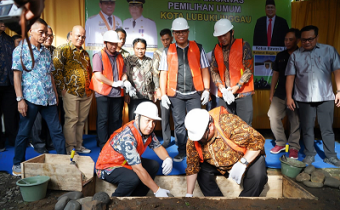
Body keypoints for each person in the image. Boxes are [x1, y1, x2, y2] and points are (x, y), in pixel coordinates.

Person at [11, 19, 66, 176]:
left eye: (46, 33)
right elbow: (16, 76)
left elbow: (50, 74)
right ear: (31, 32)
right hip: (30, 99)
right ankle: (17, 164)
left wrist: (55, 94)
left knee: (57, 131)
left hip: (48, 98)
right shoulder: (20, 50)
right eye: (41, 32)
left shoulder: (46, 51)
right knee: (24, 132)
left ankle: (64, 162)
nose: (44, 36)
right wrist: (20, 99)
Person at [286, 25, 340, 167]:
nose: (307, 42)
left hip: (326, 97)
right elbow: (290, 77)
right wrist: (289, 97)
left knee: (327, 129)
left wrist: (339, 91)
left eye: (310, 39)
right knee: (307, 128)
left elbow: (337, 71)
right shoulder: (295, 55)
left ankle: (331, 156)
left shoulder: (329, 50)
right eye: (303, 40)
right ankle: (309, 154)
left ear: (317, 37)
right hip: (303, 99)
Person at [184, 107, 267, 197]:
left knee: (258, 175)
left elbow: (258, 141)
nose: (199, 140)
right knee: (201, 171)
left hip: (243, 159)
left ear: (210, 126)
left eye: (201, 137)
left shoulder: (228, 123)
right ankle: (217, 203)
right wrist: (189, 194)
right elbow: (192, 167)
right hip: (216, 166)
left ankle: (244, 203)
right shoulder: (194, 138)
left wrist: (243, 162)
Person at [159, 17, 210, 162]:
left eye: (183, 31)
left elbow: (205, 69)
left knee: (196, 123)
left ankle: (196, 151)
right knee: (179, 124)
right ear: (173, 34)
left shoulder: (198, 48)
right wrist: (163, 95)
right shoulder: (168, 50)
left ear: (188, 32)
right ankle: (182, 151)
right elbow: (163, 73)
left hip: (194, 94)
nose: (180, 34)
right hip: (176, 95)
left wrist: (206, 89)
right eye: (177, 32)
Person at [96, 102, 173, 197]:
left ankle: (138, 198)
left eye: (154, 122)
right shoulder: (127, 137)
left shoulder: (147, 131)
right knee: (132, 178)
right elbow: (138, 169)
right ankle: (115, 200)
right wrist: (157, 190)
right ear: (137, 119)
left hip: (125, 162)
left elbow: (157, 147)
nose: (151, 125)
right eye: (147, 120)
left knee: (153, 165)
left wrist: (167, 158)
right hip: (107, 167)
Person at [90, 30, 134, 148]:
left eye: (115, 43)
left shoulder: (120, 56)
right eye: (111, 44)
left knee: (116, 119)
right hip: (103, 93)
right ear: (105, 43)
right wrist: (113, 83)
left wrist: (125, 81)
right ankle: (103, 144)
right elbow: (98, 75)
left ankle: (113, 143)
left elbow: (124, 72)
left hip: (117, 94)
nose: (114, 46)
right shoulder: (98, 56)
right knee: (103, 119)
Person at [53, 25, 93, 155]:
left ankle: (79, 145)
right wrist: (62, 89)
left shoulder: (85, 53)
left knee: (81, 121)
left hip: (86, 92)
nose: (81, 39)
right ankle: (70, 148)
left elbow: (89, 71)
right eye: (78, 35)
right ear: (71, 35)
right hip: (70, 91)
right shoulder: (62, 50)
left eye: (83, 37)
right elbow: (56, 70)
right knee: (72, 119)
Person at [210, 19, 254, 126]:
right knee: (225, 126)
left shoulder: (243, 45)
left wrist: (238, 86)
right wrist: (221, 87)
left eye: (225, 35)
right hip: (225, 94)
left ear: (232, 32)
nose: (222, 38)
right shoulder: (216, 49)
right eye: (219, 36)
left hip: (243, 93)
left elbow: (249, 69)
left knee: (244, 127)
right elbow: (213, 70)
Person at [268, 28, 301, 159]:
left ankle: (293, 147)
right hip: (280, 93)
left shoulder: (302, 54)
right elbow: (275, 74)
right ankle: (281, 142)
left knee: (295, 121)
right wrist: (271, 93)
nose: (287, 42)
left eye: (290, 39)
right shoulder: (280, 55)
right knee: (272, 115)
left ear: (297, 40)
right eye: (285, 39)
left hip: (298, 94)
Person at [30, 25, 57, 154]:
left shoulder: (54, 51)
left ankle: (50, 143)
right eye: (46, 33)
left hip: (51, 92)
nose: (47, 37)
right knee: (37, 121)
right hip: (35, 93)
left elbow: (52, 73)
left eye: (50, 35)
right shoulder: (30, 50)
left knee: (52, 122)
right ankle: (39, 144)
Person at [125, 38, 157, 121]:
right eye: (138, 48)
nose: (140, 51)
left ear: (145, 49)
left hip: (148, 96)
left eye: (142, 48)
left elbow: (155, 77)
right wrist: (126, 94)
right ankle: (133, 134)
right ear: (133, 48)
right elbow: (125, 76)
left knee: (147, 119)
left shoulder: (150, 61)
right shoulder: (128, 60)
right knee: (133, 119)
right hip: (134, 96)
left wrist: (156, 92)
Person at [152, 28, 173, 148]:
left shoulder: (176, 50)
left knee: (177, 116)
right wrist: (157, 89)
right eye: (163, 40)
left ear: (171, 38)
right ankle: (166, 140)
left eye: (167, 39)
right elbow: (155, 73)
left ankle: (181, 140)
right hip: (163, 88)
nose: (165, 42)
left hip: (176, 88)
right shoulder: (158, 52)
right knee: (164, 116)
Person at [0, 21, 19, 152]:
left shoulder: (8, 39)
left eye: (3, 21)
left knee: (11, 114)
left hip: (10, 83)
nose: (3, 23)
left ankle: (13, 140)